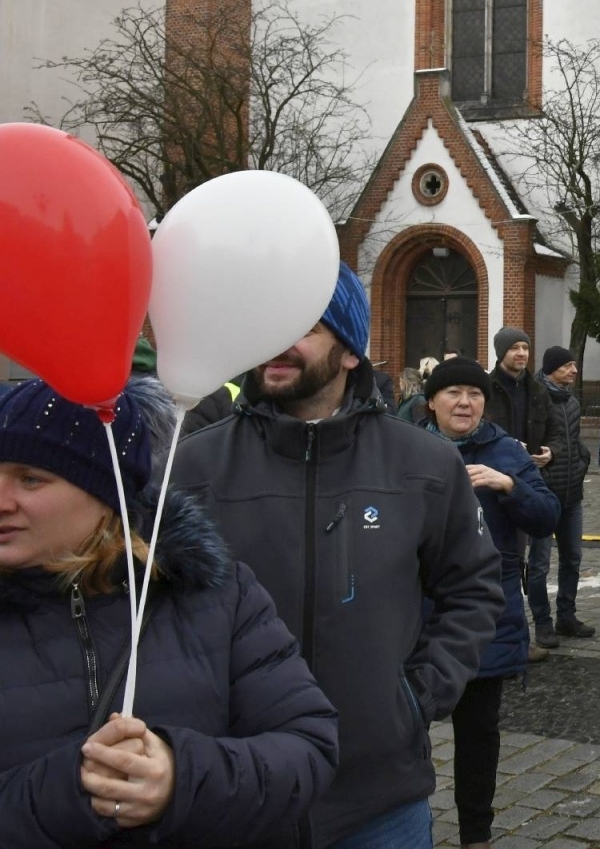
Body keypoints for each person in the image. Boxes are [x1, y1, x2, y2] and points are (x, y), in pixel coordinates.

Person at [172, 263, 503, 848]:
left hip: (378, 798)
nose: (275, 342)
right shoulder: (193, 468)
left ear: (350, 350)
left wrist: (417, 694)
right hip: (235, 792)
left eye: (301, 326)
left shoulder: (424, 464)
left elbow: (473, 587)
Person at [0, 376, 340, 847]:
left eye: (31, 478)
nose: (2, 500)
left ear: (104, 492)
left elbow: (307, 749)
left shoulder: (215, 594)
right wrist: (65, 793)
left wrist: (180, 779)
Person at [419, 356, 560, 849]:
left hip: (486, 610)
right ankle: (403, 825)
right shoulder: (403, 445)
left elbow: (547, 516)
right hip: (413, 610)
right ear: (431, 401)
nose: (465, 402)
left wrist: (510, 485)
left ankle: (476, 834)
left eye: (475, 394)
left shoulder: (504, 450)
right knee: (403, 728)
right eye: (454, 393)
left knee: (478, 734)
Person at [528, 345, 593, 648]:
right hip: (544, 495)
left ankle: (566, 615)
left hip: (572, 492)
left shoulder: (573, 403)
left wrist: (581, 463)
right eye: (568, 365)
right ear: (552, 368)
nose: (574, 370)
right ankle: (542, 622)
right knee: (539, 562)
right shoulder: (535, 398)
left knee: (572, 558)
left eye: (574, 365)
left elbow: (573, 443)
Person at [485, 327, 551, 463]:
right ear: (501, 352)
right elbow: (476, 430)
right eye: (514, 348)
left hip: (532, 471)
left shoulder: (539, 390)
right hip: (495, 468)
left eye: (525, 348)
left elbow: (554, 429)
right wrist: (506, 445)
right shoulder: (485, 389)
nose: (522, 353)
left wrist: (552, 450)